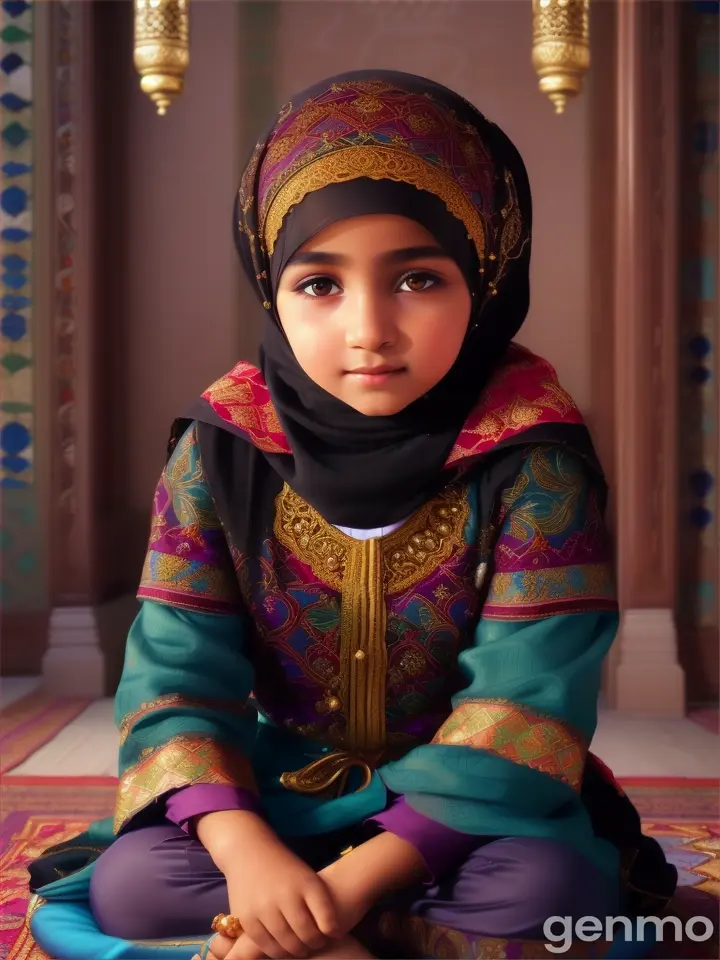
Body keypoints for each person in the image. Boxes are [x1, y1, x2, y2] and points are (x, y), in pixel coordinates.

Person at [28, 71, 677, 960]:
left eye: (417, 278)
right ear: (269, 283)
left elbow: (526, 706)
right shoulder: (221, 449)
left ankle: (278, 941)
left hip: (473, 817)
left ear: (485, 277)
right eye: (320, 285)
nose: (369, 328)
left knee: (551, 896)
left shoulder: (534, 457)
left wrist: (336, 894)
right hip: (278, 799)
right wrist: (248, 856)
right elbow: (175, 681)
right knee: (135, 887)